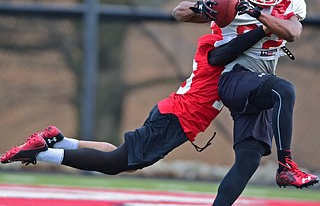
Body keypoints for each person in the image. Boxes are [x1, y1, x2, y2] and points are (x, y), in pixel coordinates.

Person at [1, 21, 269, 176]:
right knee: (115, 164)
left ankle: (61, 141)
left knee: (120, 155)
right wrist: (263, 28)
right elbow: (233, 48)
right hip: (177, 118)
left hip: (173, 114)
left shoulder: (225, 48)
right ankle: (43, 152)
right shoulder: (217, 47)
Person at [172, 0, 319, 205]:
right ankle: (286, 165)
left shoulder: (291, 3)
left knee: (248, 160)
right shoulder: (231, 0)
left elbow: (293, 32)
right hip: (234, 79)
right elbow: (179, 12)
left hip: (261, 85)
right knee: (285, 90)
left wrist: (257, 14)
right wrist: (201, 7)